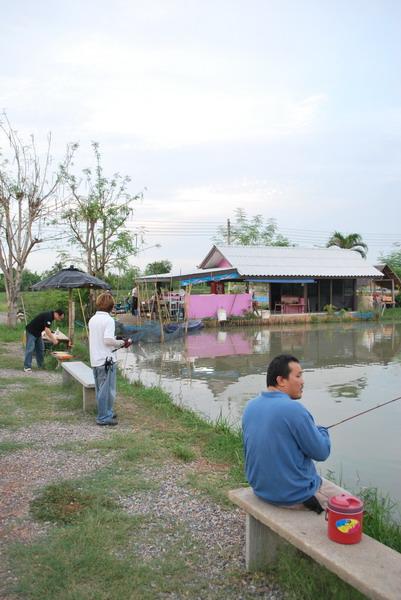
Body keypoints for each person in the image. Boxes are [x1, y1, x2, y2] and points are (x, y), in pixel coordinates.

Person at [242, 354, 333, 513]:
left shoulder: (251, 406)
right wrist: (322, 430)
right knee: (355, 507)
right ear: (281, 380)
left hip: (261, 489)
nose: (303, 381)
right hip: (293, 496)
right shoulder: (294, 409)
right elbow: (322, 452)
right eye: (298, 376)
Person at [89, 293, 126, 426]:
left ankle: (107, 411)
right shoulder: (109, 320)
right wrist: (120, 342)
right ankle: (103, 417)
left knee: (101, 389)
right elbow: (108, 340)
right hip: (106, 361)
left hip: (96, 359)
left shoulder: (93, 319)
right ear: (111, 306)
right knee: (108, 390)